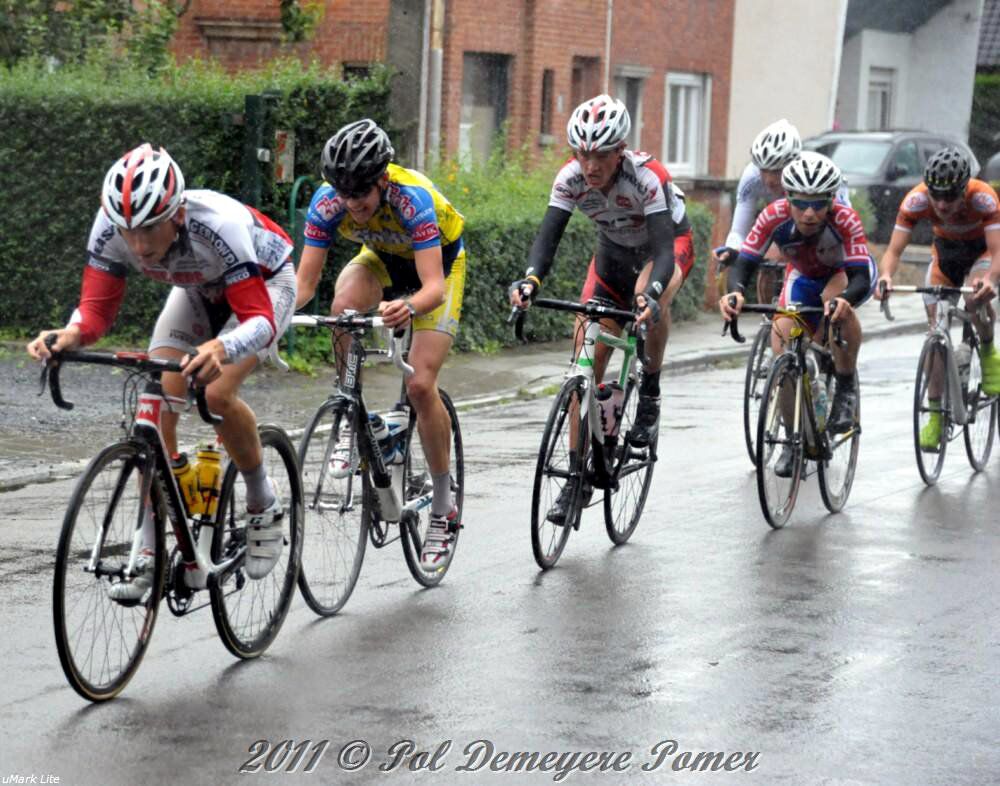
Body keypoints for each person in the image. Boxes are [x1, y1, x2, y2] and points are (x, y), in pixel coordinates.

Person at [27, 143, 297, 599]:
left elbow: (259, 320)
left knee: (215, 393)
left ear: (177, 214)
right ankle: (151, 548)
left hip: (265, 285)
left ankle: (262, 499)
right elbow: (96, 310)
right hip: (196, 289)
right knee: (156, 399)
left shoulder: (220, 226)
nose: (138, 245)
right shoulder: (110, 227)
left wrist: (222, 345)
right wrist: (71, 334)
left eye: (150, 228)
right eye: (128, 231)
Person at [509, 93, 691, 523]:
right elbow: (547, 239)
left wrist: (652, 294)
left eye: (601, 155)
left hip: (663, 250)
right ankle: (576, 477)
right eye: (582, 153)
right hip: (611, 259)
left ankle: (650, 389)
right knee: (583, 366)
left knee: (649, 297)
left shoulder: (648, 178)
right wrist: (530, 280)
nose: (590, 165)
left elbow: (664, 251)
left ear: (620, 151)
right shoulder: (570, 178)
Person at [296, 119, 465, 570]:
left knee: (420, 384)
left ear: (382, 180)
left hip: (439, 268)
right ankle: (351, 416)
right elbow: (304, 285)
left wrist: (407, 306)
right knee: (343, 306)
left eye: (361, 194)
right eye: (344, 194)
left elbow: (433, 289)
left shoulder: (412, 199)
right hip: (383, 260)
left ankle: (444, 506)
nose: (352, 204)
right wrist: (266, 318)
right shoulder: (327, 202)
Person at [719, 151, 876, 476]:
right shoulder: (773, 215)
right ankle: (793, 439)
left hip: (842, 275)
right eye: (801, 203)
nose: (809, 213)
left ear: (831, 200)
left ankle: (845, 385)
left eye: (818, 204)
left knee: (836, 306)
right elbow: (745, 263)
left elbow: (860, 277)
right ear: (787, 197)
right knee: (782, 347)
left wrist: (845, 300)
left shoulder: (845, 219)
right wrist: (735, 292)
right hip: (803, 275)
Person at [876, 146, 1000, 450]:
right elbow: (893, 251)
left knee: (975, 297)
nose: (942, 204)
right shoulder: (916, 200)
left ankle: (987, 351)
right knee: (936, 333)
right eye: (937, 195)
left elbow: (997, 251)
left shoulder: (983, 198)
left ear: (964, 188)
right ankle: (934, 416)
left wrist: (990, 281)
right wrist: (886, 276)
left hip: (982, 252)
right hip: (946, 255)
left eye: (950, 196)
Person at [714, 119, 852, 304]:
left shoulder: (818, 174)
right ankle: (769, 315)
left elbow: (843, 230)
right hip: (781, 222)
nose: (769, 180)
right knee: (768, 260)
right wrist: (732, 249)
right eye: (764, 171)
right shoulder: (751, 178)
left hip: (821, 228)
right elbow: (739, 230)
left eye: (777, 172)